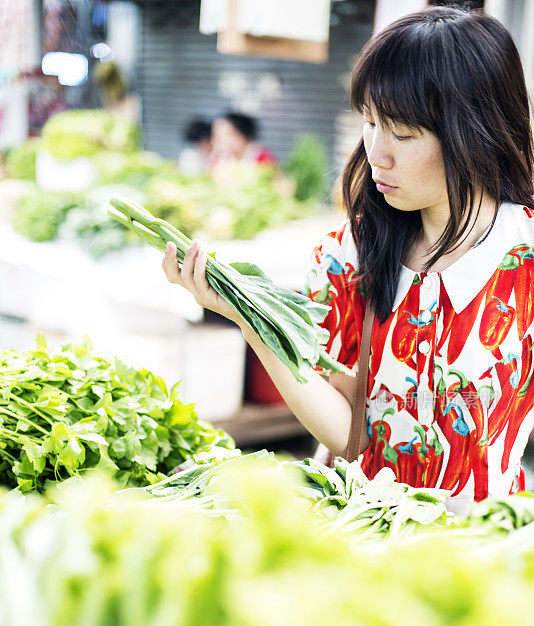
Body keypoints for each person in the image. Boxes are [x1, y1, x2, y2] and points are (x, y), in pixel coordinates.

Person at [161, 6, 534, 517]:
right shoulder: (352, 252)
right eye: (370, 122)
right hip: (366, 547)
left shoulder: (525, 258)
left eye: (402, 133)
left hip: (479, 558)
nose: (377, 152)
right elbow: (350, 433)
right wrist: (250, 319)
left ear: (474, 130)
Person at [210, 112, 277, 167]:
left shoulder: (261, 156)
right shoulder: (221, 157)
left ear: (244, 135)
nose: (223, 140)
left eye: (229, 134)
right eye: (218, 135)